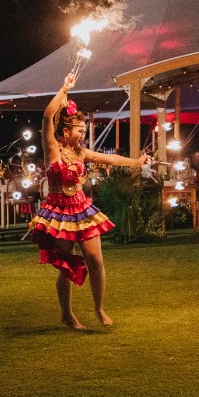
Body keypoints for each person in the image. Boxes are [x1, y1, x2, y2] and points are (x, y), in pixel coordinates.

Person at [31, 73, 150, 329]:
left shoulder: (82, 152)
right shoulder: (51, 147)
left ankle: (99, 308)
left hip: (82, 209)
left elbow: (112, 160)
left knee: (95, 259)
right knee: (67, 265)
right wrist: (64, 89)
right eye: (80, 130)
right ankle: (67, 314)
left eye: (84, 130)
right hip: (58, 211)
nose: (84, 134)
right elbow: (46, 117)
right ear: (65, 130)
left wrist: (136, 162)